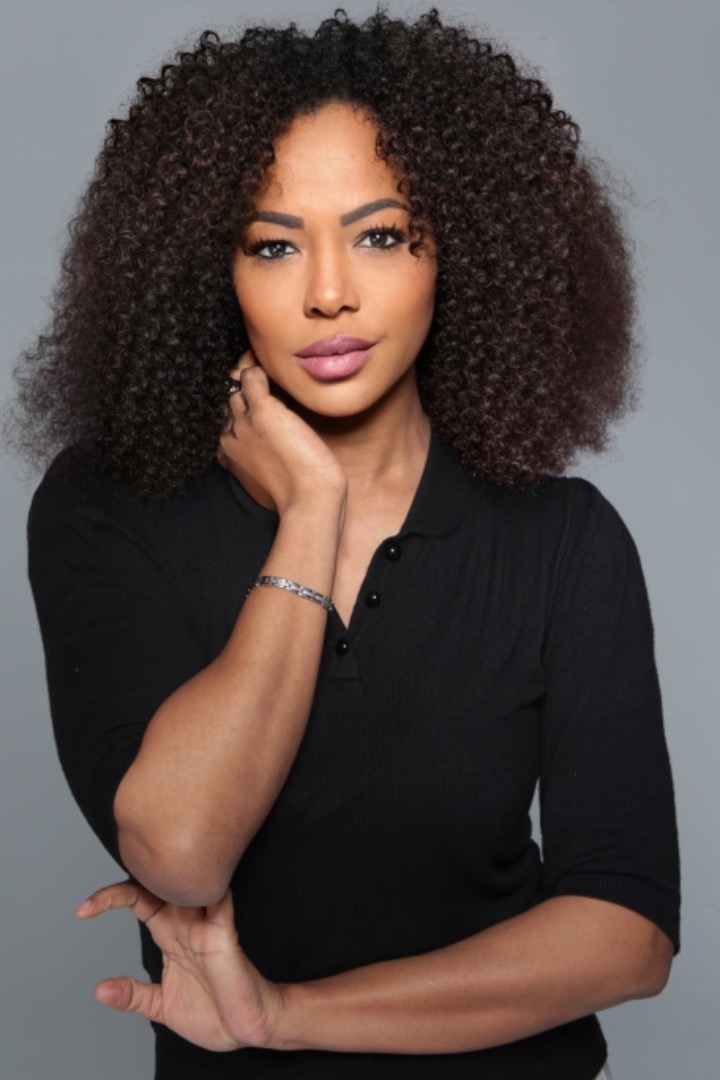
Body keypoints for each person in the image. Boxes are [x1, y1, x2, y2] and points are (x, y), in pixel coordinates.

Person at [17, 9, 679, 1079]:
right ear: (210, 272)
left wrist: (286, 1014)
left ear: (458, 248)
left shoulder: (562, 540)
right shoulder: (110, 510)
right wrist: (310, 513)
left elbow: (628, 935)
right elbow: (182, 852)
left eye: (380, 235)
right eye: (274, 245)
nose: (329, 292)